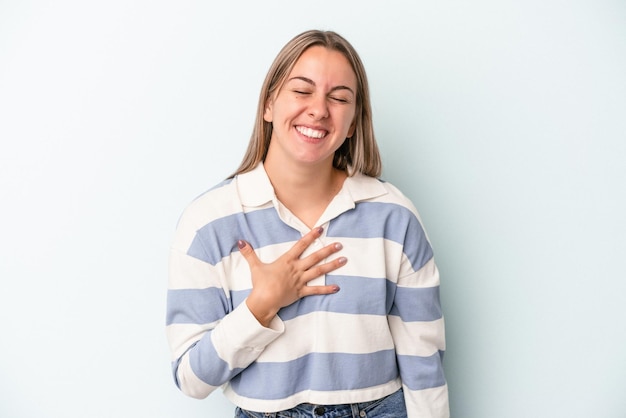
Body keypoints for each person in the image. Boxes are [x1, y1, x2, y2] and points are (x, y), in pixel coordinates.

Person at [166, 29, 449, 418]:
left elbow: (424, 361)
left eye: (339, 98)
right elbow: (191, 378)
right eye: (302, 91)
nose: (319, 109)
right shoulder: (208, 222)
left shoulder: (393, 214)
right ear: (269, 104)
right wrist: (260, 306)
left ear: (352, 123)